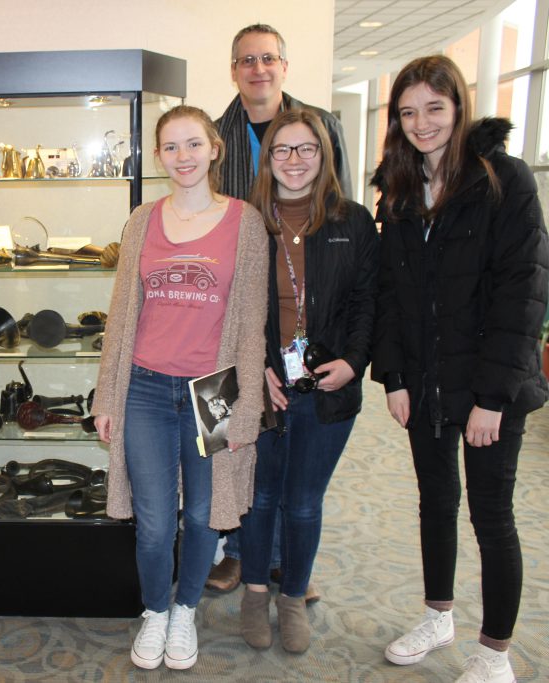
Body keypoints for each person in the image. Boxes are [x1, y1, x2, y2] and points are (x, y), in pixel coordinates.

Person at [372, 55, 548, 683]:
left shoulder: (504, 179)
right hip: (422, 380)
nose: (421, 123)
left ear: (459, 107)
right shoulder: (396, 190)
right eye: (408, 112)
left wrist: (494, 398)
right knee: (435, 501)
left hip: (488, 384)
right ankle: (438, 614)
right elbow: (390, 297)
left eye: (434, 108)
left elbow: (522, 295)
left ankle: (495, 650)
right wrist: (393, 378)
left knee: (492, 515)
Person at [92, 105, 268, 671]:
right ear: (159, 156)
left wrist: (245, 413)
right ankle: (155, 612)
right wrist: (107, 397)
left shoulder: (245, 223)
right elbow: (121, 317)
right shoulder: (142, 220)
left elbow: (250, 326)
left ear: (215, 148)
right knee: (153, 522)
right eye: (171, 147)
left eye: (194, 144)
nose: (183, 156)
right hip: (144, 388)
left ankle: (186, 608)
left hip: (212, 389)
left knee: (201, 517)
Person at [209, 21, 353, 598]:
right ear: (234, 70)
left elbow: (339, 210)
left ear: (284, 67)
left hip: (303, 311)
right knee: (237, 437)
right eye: (246, 60)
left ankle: (286, 563)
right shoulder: (216, 134)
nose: (258, 68)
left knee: (295, 454)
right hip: (236, 304)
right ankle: (239, 551)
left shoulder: (323, 126)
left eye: (268, 58)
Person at [240, 109, 378, 654]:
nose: (294, 161)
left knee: (302, 502)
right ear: (267, 159)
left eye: (306, 150)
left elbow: (370, 301)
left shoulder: (353, 221)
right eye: (282, 150)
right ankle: (254, 592)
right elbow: (234, 308)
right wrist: (258, 369)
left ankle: (291, 596)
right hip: (265, 385)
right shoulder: (248, 221)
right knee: (260, 495)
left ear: (324, 156)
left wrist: (354, 361)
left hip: (329, 386)